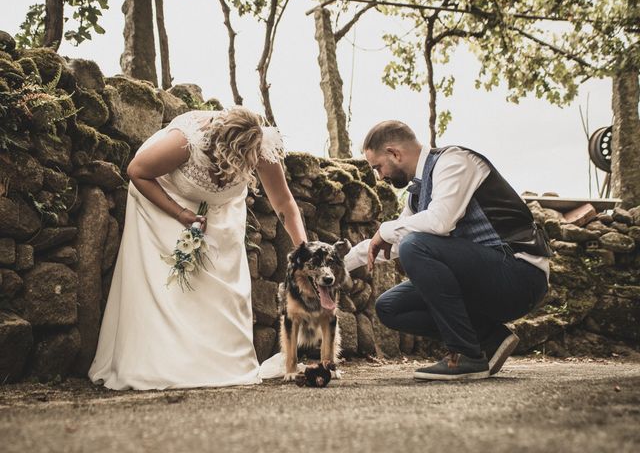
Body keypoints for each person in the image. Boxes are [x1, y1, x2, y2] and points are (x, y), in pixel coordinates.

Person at [89, 106, 307, 390]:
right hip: (163, 200)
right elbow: (137, 171)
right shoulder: (185, 141)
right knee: (172, 286)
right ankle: (166, 362)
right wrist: (181, 215)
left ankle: (224, 363)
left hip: (221, 210)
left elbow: (284, 203)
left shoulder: (260, 146)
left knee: (222, 285)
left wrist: (304, 251)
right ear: (217, 147)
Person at [343, 120, 552, 381]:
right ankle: (489, 339)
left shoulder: (453, 162)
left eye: (378, 167)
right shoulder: (417, 195)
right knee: (390, 306)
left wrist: (384, 230)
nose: (380, 176)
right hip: (484, 279)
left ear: (395, 153)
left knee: (414, 245)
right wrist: (339, 266)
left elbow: (440, 222)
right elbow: (395, 239)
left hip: (520, 274)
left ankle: (466, 354)